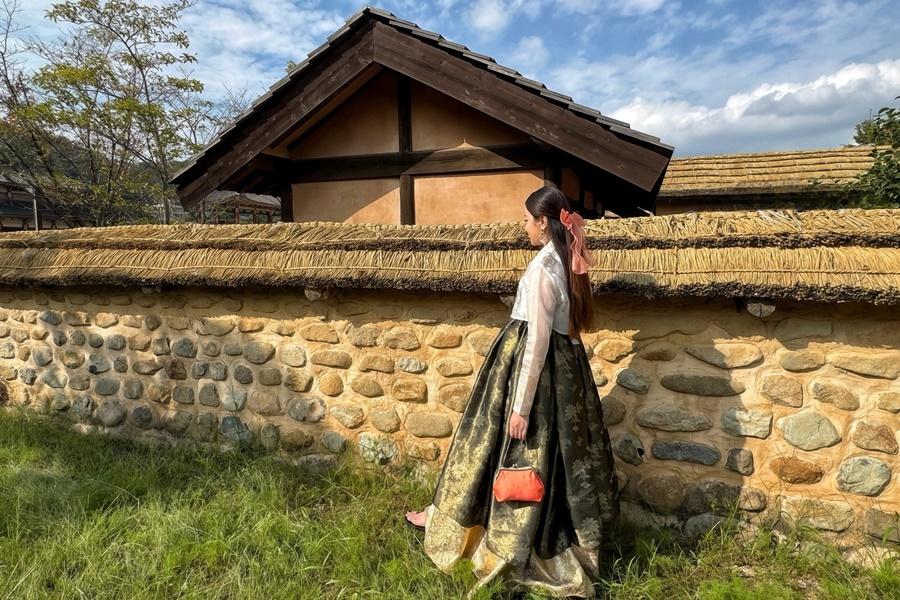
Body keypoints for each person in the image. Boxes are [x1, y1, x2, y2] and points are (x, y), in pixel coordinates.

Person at [404, 183, 620, 598]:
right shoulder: (568, 262)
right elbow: (568, 336)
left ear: (543, 223)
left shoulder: (543, 269)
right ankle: (567, 536)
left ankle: (472, 530)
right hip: (566, 375)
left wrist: (520, 407)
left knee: (495, 448)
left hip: (531, 373)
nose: (524, 227)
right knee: (558, 457)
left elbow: (537, 341)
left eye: (526, 220)